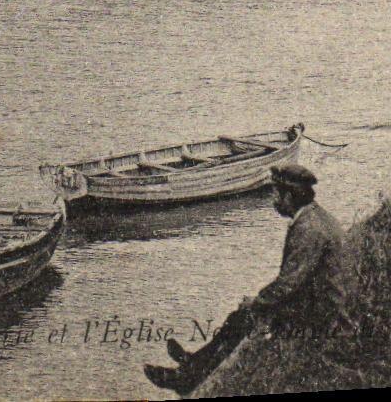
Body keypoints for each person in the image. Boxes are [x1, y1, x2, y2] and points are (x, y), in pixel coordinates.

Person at [144, 163, 352, 395]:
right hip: (318, 301)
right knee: (242, 315)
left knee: (246, 316)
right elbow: (293, 281)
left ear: (290, 196)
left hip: (321, 314)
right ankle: (194, 364)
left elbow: (288, 284)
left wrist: (256, 301)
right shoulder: (314, 218)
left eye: (277, 193)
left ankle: (188, 376)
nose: (273, 199)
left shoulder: (308, 229)